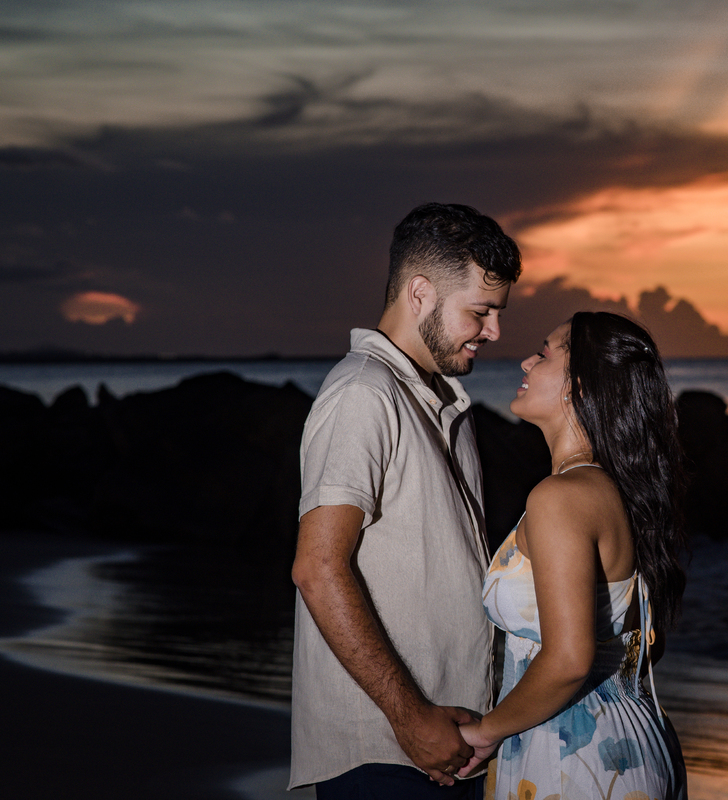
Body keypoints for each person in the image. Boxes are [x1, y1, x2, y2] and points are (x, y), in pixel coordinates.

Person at [288, 202, 522, 798]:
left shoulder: (440, 402)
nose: (494, 332)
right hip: (386, 751)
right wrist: (410, 716)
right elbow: (317, 567)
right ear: (420, 293)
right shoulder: (364, 394)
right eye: (481, 311)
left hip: (449, 744)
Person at [458, 311, 689, 800]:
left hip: (574, 754)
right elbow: (646, 641)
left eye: (544, 353)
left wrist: (485, 733)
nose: (526, 360)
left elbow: (568, 660)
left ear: (579, 387)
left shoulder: (560, 497)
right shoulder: (624, 490)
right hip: (635, 739)